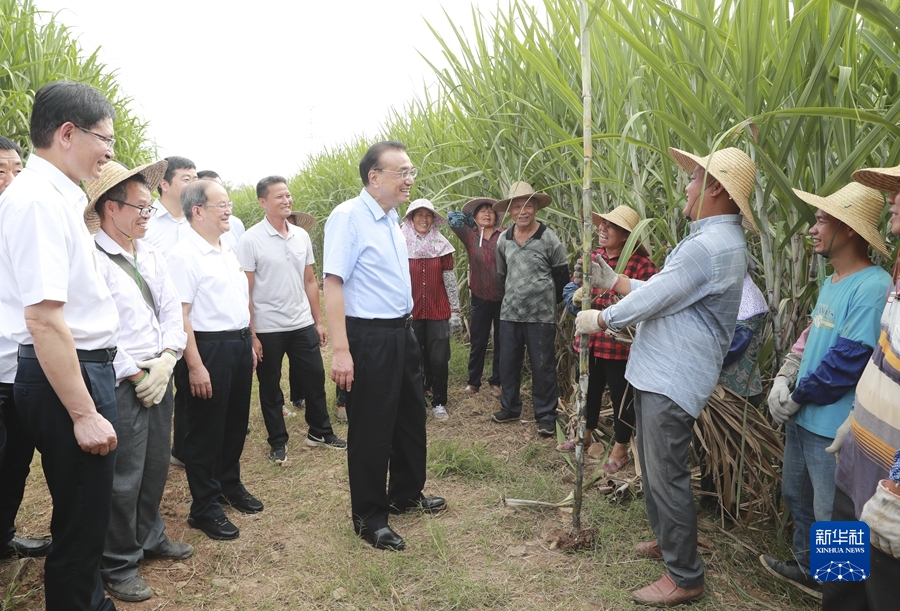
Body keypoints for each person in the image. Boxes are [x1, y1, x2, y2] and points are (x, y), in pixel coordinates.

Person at [576, 146, 756, 605]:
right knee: (656, 470)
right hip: (664, 372)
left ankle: (684, 575)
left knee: (667, 473)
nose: (687, 186)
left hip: (671, 377)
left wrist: (602, 318)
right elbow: (666, 290)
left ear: (716, 188)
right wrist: (616, 282)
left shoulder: (707, 245)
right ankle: (668, 543)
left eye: (695, 179)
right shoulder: (715, 241)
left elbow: (654, 300)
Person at [0, 80, 120, 611]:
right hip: (67, 372)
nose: (110, 152)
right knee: (80, 520)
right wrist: (83, 411)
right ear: (67, 133)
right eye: (104, 139)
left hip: (74, 365)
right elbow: (44, 319)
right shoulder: (37, 202)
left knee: (85, 515)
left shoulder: (56, 197)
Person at [761, 182, 892, 599]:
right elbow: (810, 336)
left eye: (821, 220)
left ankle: (839, 593)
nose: (813, 229)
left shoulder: (872, 285)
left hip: (833, 424)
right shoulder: (834, 278)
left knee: (834, 518)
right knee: (795, 495)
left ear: (849, 229)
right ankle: (809, 570)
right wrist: (785, 376)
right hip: (804, 417)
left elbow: (847, 361)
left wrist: (798, 395)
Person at [323, 140, 445, 552]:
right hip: (369, 337)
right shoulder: (349, 218)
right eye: (402, 172)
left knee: (410, 416)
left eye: (411, 171)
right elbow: (333, 283)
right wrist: (341, 350)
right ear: (374, 177)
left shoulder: (392, 219)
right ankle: (370, 517)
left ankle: (407, 493)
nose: (410, 179)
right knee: (372, 428)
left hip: (401, 331)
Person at [84, 160, 193, 602]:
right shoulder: (92, 257)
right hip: (122, 378)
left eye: (150, 209)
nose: (148, 216)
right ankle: (118, 561)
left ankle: (151, 535)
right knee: (123, 474)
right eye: (141, 209)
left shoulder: (149, 252)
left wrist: (169, 358)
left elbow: (171, 310)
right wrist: (134, 370)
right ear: (111, 208)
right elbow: (97, 327)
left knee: (155, 464)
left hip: (158, 370)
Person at [816, 160, 900, 611]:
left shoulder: (875, 281)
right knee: (840, 586)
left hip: (890, 486)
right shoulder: (898, 279)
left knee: (882, 594)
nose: (892, 199)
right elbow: (880, 356)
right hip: (856, 464)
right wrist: (854, 419)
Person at [168, 179, 261, 541]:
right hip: (207, 348)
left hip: (237, 345)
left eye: (229, 203)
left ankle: (229, 485)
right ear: (198, 211)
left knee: (235, 423)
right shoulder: (183, 255)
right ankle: (203, 507)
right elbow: (182, 315)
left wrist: (249, 340)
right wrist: (194, 365)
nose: (228, 210)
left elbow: (239, 302)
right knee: (205, 430)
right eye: (220, 204)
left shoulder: (226, 248)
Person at [237, 176, 345, 468]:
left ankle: (320, 432)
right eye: (278, 197)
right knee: (270, 386)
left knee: (314, 378)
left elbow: (310, 281)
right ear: (263, 202)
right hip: (268, 327)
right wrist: (253, 334)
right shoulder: (250, 240)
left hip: (301, 323)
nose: (286, 201)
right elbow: (244, 290)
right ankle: (277, 442)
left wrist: (318, 321)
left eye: (288, 196)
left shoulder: (301, 235)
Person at [559, 205, 658, 472]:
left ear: (626, 235)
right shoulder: (592, 257)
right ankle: (585, 433)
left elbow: (650, 305)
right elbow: (574, 288)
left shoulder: (642, 265)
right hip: (591, 338)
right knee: (587, 390)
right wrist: (576, 295)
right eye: (601, 224)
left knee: (621, 398)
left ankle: (621, 448)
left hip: (619, 346)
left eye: (610, 226)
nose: (602, 228)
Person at [0, 135, 51, 561]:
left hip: (21, 371)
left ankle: (3, 536)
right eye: (2, 171)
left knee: (16, 462)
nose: (12, 180)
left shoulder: (23, 218)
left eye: (18, 170)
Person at [490, 182, 568, 437]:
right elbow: (502, 275)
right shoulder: (504, 239)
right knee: (508, 363)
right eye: (516, 206)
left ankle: (546, 415)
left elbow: (562, 279)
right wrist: (517, 296)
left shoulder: (549, 238)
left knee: (542, 365)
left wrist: (543, 300)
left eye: (528, 205)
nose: (522, 211)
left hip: (541, 315)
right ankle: (510, 407)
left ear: (536, 208)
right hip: (510, 312)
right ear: (509, 211)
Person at [401, 198, 462, 421]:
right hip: (411, 312)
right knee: (412, 358)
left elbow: (449, 279)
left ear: (433, 220)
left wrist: (455, 310)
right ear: (411, 218)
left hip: (438, 311)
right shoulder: (400, 242)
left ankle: (439, 402)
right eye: (419, 215)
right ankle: (417, 400)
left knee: (438, 359)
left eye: (428, 215)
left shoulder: (442, 245)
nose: (423, 220)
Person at [448, 197, 505, 398]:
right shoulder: (471, 235)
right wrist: (471, 221)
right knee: (478, 340)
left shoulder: (504, 234)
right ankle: (473, 382)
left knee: (501, 340)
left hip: (504, 297)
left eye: (491, 211)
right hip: (480, 297)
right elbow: (451, 217)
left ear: (497, 216)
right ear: (475, 216)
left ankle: (496, 382)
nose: (488, 213)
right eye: (482, 211)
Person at [718, 267, 768, 405]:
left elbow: (734, 348)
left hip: (738, 394)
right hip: (721, 393)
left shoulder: (748, 299)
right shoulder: (728, 292)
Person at [144, 155, 197, 257]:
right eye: (186, 179)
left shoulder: (201, 219)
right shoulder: (144, 220)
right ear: (164, 185)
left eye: (195, 179)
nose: (194, 185)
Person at [198, 170, 246, 250]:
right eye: (212, 188)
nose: (228, 212)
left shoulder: (235, 223)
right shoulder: (187, 225)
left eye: (220, 187)